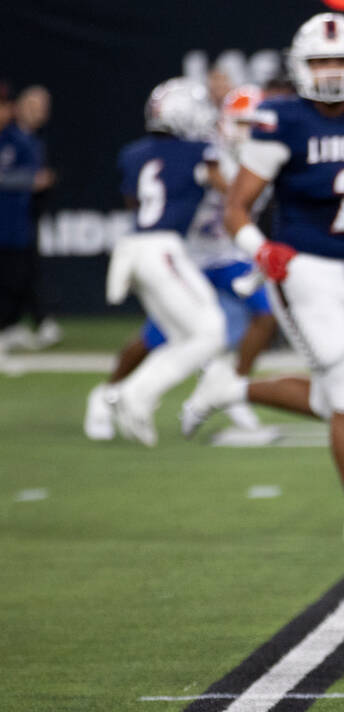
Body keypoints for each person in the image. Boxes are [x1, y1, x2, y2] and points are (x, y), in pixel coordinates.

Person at [182, 13, 344, 551]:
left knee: (338, 397)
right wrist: (260, 249)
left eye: (342, 59)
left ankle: (231, 386)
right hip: (298, 268)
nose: (334, 70)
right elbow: (237, 209)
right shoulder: (281, 120)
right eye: (322, 61)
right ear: (301, 67)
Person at [87, 85, 277, 441]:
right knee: (165, 334)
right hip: (186, 253)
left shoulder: (249, 157)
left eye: (255, 125)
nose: (248, 132)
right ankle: (111, 394)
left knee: (259, 316)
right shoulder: (206, 153)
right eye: (241, 124)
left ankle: (231, 387)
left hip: (223, 253)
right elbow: (230, 195)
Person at [94, 78, 227, 445]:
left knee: (178, 335)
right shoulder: (201, 150)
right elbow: (227, 189)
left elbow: (134, 203)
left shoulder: (134, 154)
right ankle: (135, 394)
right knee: (211, 331)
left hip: (134, 246)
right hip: (163, 248)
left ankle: (124, 396)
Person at [0, 84, 55, 354]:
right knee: (12, 274)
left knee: (22, 273)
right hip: (6, 218)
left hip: (22, 217)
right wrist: (31, 180)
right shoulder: (8, 138)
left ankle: (13, 325)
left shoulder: (32, 140)